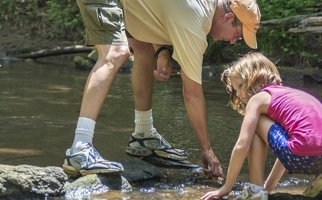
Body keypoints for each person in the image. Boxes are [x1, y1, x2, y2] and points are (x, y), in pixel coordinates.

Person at [63, 0, 261, 178]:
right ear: (228, 17)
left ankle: (143, 135)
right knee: (114, 53)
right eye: (239, 35)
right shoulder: (195, 21)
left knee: (143, 47)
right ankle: (80, 148)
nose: (235, 41)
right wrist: (207, 150)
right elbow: (192, 94)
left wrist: (161, 50)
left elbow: (157, 9)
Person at [201, 52, 322, 200]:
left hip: (300, 154)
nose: (238, 94)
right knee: (298, 136)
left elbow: (242, 144)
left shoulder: (258, 99)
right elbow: (297, 141)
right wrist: (270, 187)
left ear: (255, 78)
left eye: (240, 86)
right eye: (235, 90)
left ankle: (256, 192)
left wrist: (226, 187)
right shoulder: (293, 95)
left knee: (256, 123)